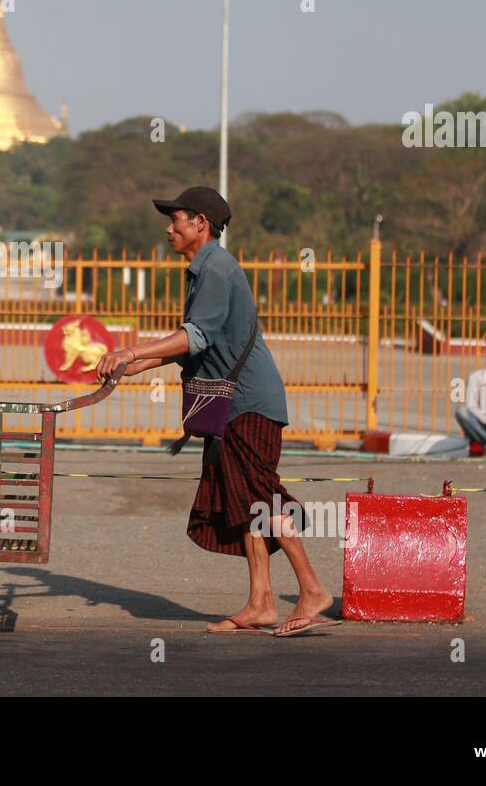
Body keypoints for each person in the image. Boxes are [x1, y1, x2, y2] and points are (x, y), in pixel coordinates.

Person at [95, 186, 338, 638]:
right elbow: (193, 343)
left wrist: (129, 351)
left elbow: (196, 337)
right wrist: (133, 365)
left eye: (177, 220)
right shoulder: (203, 269)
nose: (169, 229)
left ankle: (311, 589)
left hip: (248, 403)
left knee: (260, 495)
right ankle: (261, 602)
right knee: (245, 500)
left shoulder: (218, 269)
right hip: (231, 406)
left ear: (200, 223)